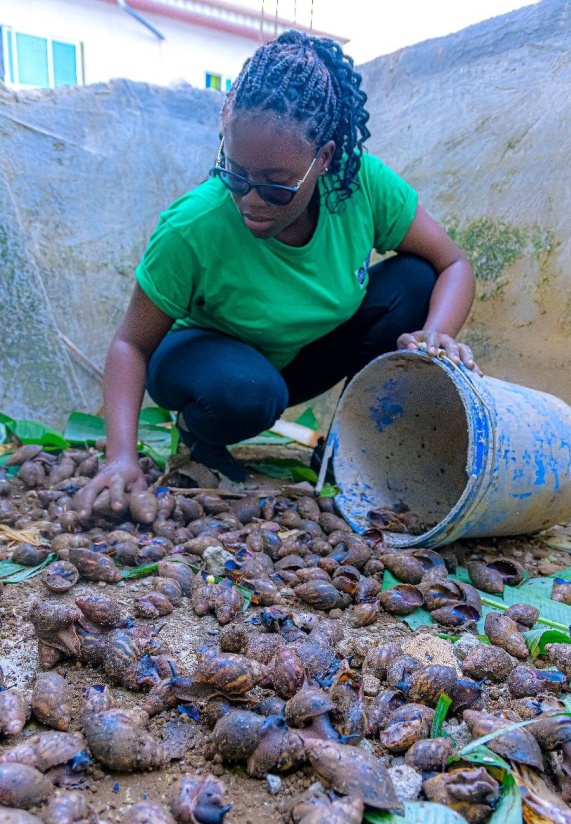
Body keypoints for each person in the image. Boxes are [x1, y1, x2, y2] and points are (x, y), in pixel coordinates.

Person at [76, 29, 478, 520]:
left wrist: (437, 336)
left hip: (294, 358)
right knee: (249, 392)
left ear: (323, 159)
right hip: (203, 361)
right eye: (236, 173)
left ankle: (350, 448)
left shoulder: (361, 186)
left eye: (276, 186)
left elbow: (453, 264)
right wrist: (121, 455)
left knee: (415, 281)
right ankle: (200, 434)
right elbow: (130, 345)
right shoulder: (193, 225)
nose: (250, 199)